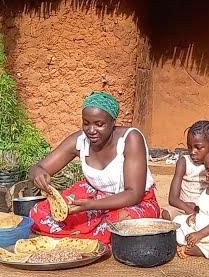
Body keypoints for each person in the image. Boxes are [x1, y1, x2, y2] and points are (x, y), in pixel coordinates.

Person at [29, 91, 160, 244]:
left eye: (99, 124)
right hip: (93, 199)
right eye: (86, 123)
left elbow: (134, 194)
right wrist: (38, 173)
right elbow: (38, 168)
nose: (91, 130)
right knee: (39, 213)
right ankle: (85, 233)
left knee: (118, 224)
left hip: (133, 201)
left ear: (113, 123)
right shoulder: (79, 141)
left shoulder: (130, 139)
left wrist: (91, 206)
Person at [162, 121, 209, 220]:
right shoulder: (184, 162)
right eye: (189, 147)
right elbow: (173, 199)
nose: (192, 152)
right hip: (185, 208)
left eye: (198, 148)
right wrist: (193, 213)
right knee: (167, 213)